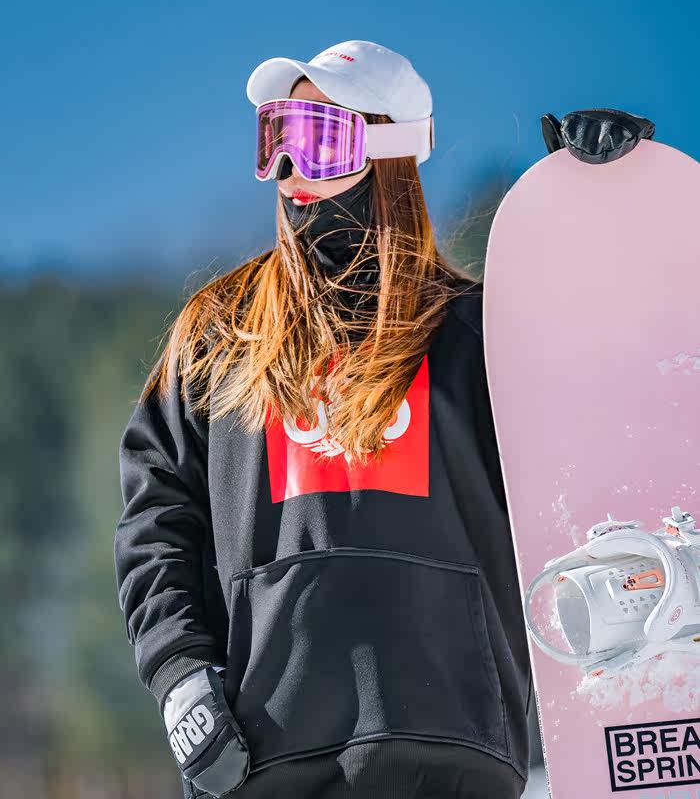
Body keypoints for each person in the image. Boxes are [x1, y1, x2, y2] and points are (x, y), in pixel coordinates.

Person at [114, 39, 655, 798]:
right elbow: (156, 519)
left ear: (390, 154)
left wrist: (602, 208)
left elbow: (599, 410)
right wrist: (179, 673)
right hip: (264, 750)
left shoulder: (479, 335)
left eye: (319, 141)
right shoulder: (220, 334)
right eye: (276, 139)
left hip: (452, 741)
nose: (291, 170)